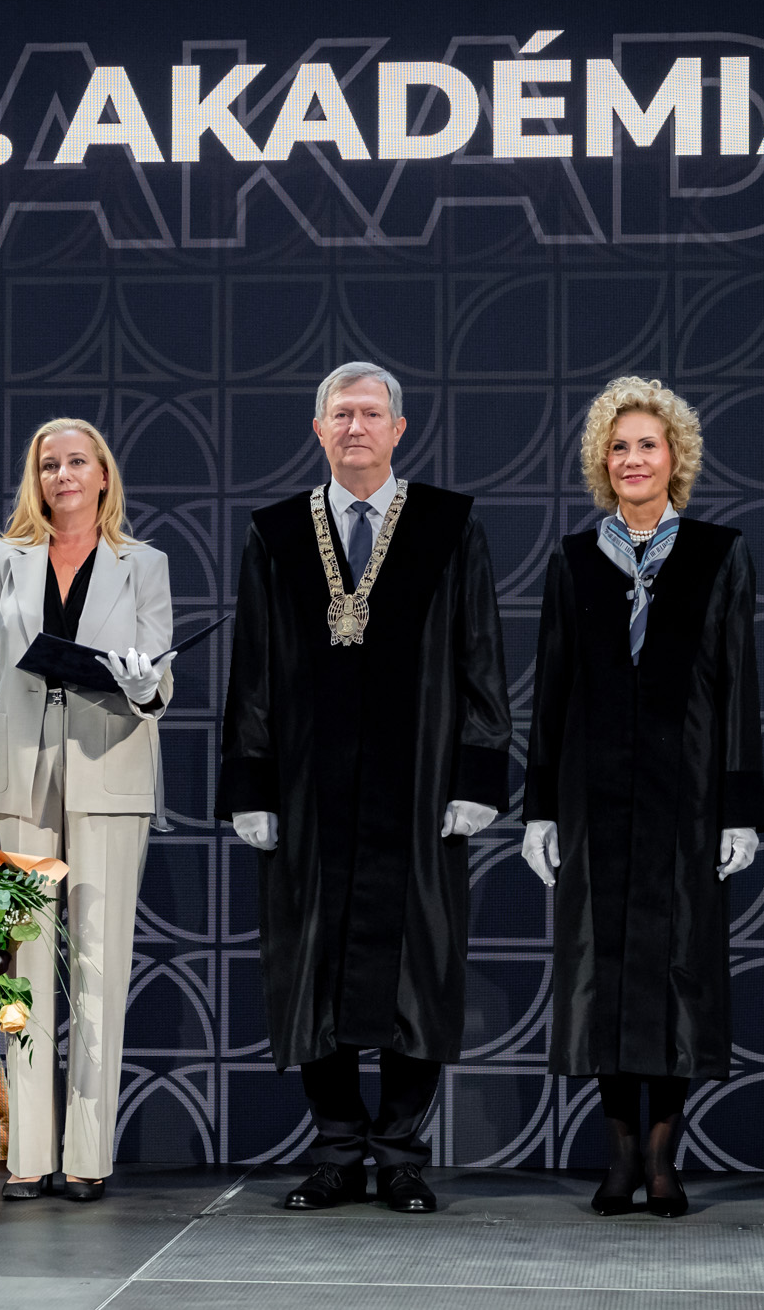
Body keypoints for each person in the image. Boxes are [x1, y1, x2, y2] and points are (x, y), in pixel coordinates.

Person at [218, 361, 512, 1215]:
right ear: (318, 430)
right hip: (310, 792)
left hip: (419, 790)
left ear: (398, 429)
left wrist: (480, 772)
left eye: (370, 413)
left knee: (417, 965)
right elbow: (255, 671)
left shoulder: (448, 526)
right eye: (340, 414)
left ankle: (402, 1152)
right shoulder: (275, 534)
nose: (355, 427)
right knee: (313, 965)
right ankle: (337, 1149)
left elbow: (481, 654)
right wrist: (251, 784)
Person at [521, 377, 764, 1218]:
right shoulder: (572, 558)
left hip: (687, 800)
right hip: (595, 802)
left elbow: (740, 685)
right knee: (601, 976)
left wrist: (741, 806)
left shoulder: (717, 553)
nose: (633, 458)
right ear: (603, 461)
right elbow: (550, 690)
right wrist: (540, 809)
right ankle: (619, 1155)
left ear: (676, 459)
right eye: (619, 446)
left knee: (675, 978)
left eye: (648, 445)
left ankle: (664, 1158)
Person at [0, 418, 175, 1202]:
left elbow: (157, 682)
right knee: (23, 974)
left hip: (110, 776)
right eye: (49, 464)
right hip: (16, 781)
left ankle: (87, 1156)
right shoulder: (3, 562)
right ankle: (28, 1154)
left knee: (102, 966)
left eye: (78, 462)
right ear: (34, 480)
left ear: (103, 475)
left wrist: (144, 684)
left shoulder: (144, 565)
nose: (63, 475)